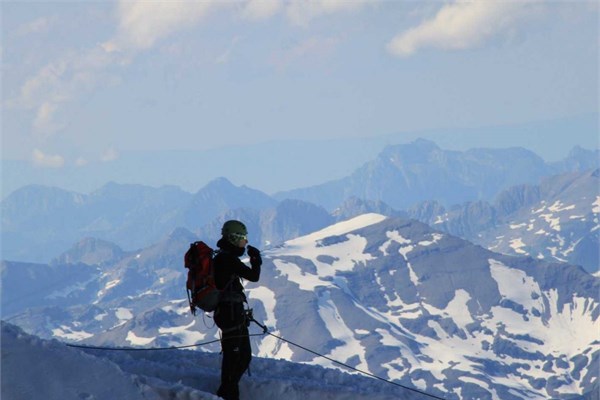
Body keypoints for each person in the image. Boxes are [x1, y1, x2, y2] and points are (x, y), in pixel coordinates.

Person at [213, 220, 261, 400]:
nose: (245, 242)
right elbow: (253, 276)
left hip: (230, 313)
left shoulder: (223, 257)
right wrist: (256, 260)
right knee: (236, 358)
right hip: (230, 314)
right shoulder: (227, 259)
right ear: (233, 238)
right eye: (242, 238)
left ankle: (227, 391)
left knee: (240, 357)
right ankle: (227, 393)